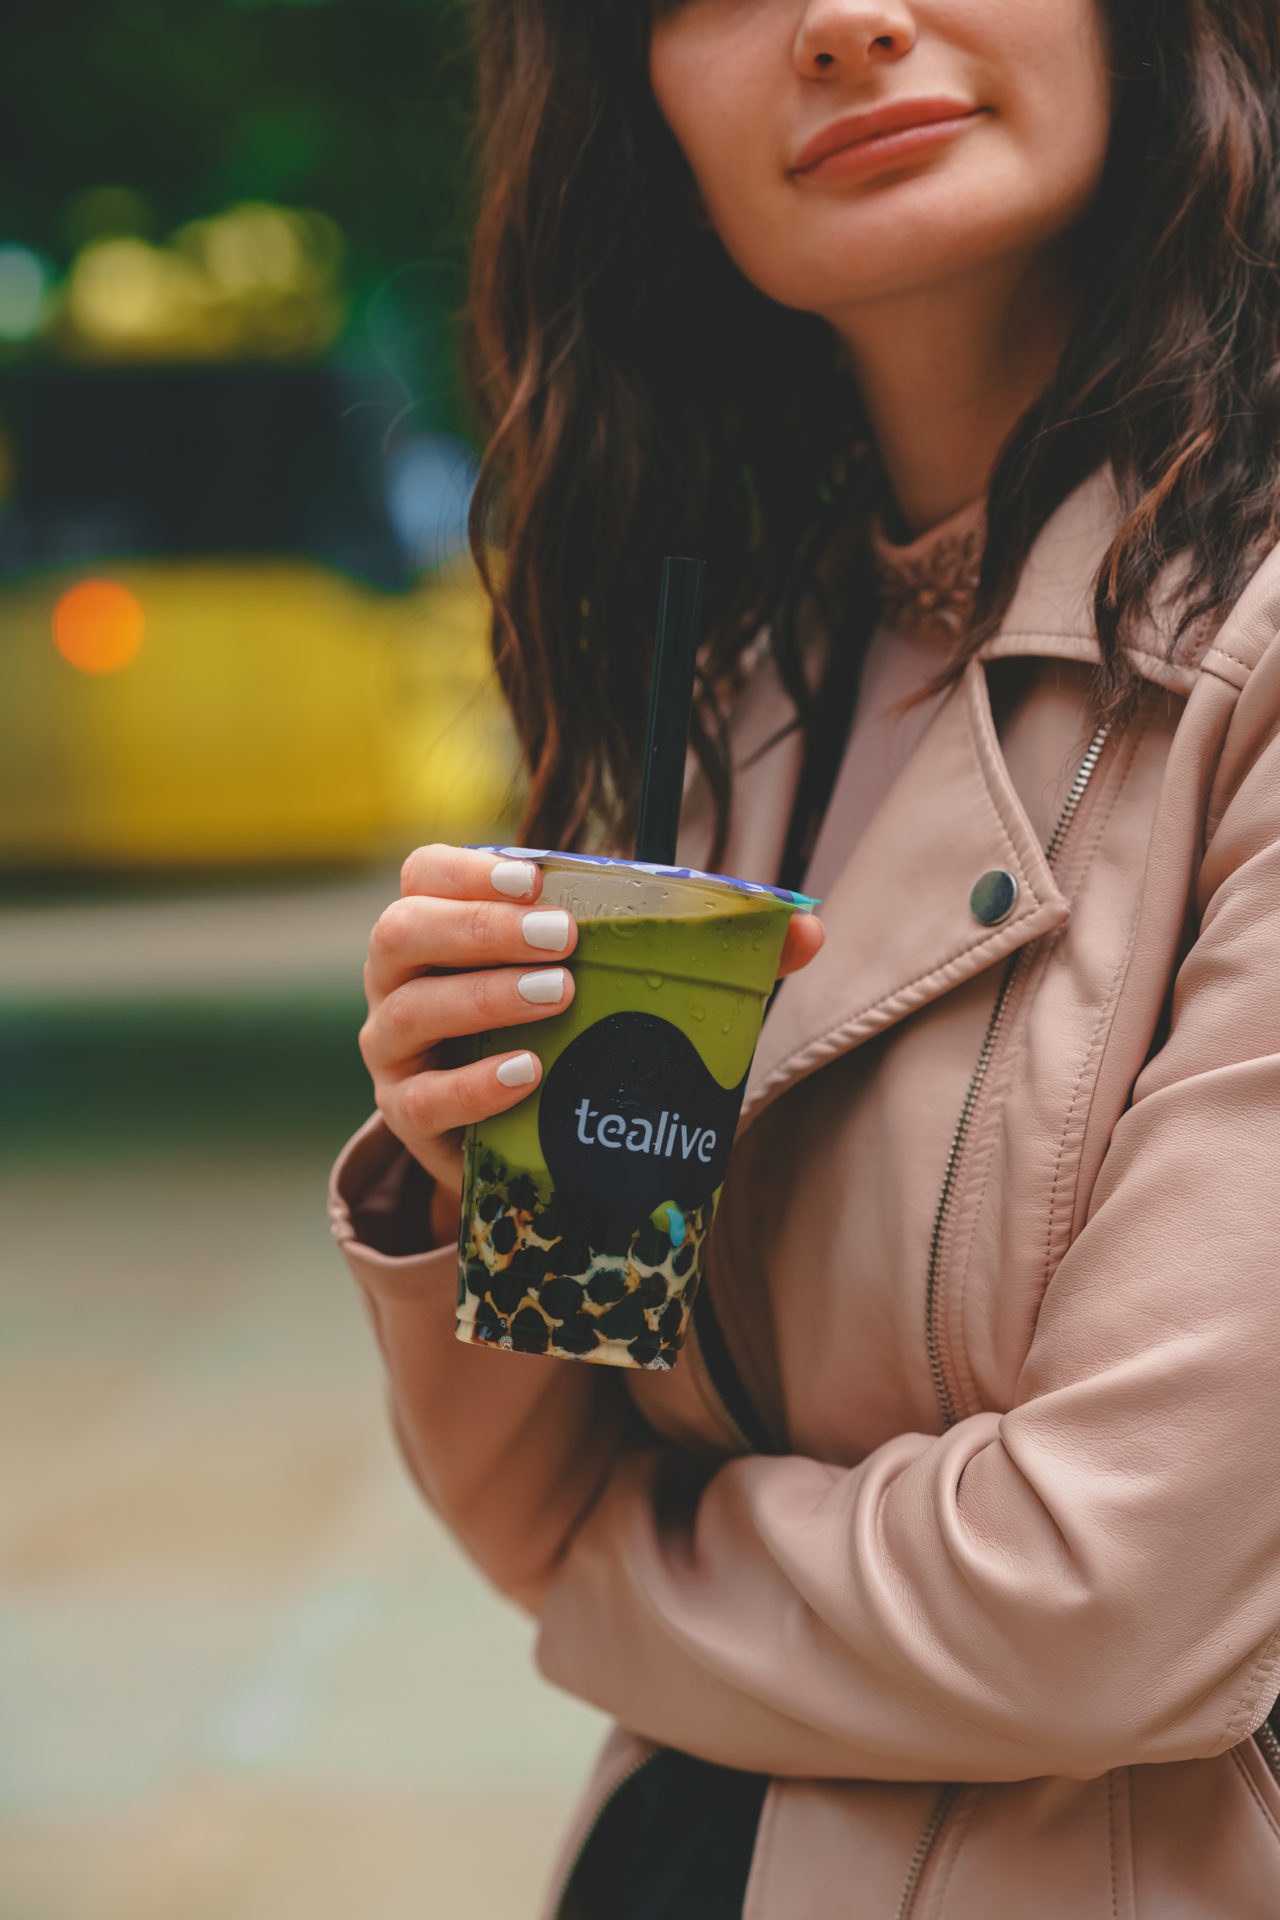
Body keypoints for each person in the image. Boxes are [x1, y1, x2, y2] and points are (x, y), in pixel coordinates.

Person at [329, 2, 1280, 1913]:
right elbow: (532, 1497)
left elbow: (1109, 1604)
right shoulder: (719, 708)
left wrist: (631, 1573)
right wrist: (460, 1166)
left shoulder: (1246, 674)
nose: (845, 21)